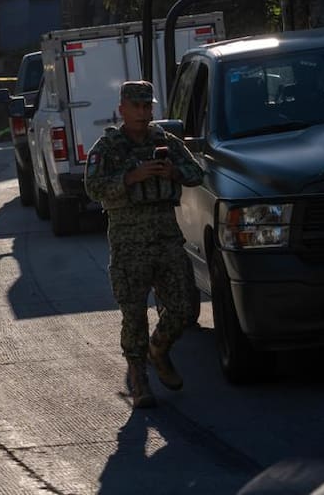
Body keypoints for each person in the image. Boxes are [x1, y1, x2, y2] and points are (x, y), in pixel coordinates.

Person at [83, 81, 204, 409]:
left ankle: (159, 349)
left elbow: (196, 174)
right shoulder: (107, 148)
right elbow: (92, 187)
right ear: (121, 109)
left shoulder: (166, 142)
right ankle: (139, 380)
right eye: (135, 106)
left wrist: (173, 172)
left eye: (147, 106)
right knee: (133, 315)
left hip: (166, 239)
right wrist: (130, 177)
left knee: (180, 310)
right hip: (129, 244)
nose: (142, 112)